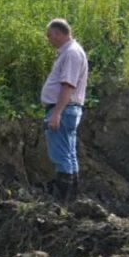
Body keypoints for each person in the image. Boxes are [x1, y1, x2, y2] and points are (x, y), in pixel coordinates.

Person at [41, 18, 89, 204]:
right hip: (68, 110)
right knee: (69, 155)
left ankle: (62, 202)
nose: (48, 39)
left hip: (64, 110)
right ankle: (71, 201)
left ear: (58, 34)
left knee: (61, 156)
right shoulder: (72, 51)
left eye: (49, 35)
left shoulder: (71, 53)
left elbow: (68, 85)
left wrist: (57, 113)